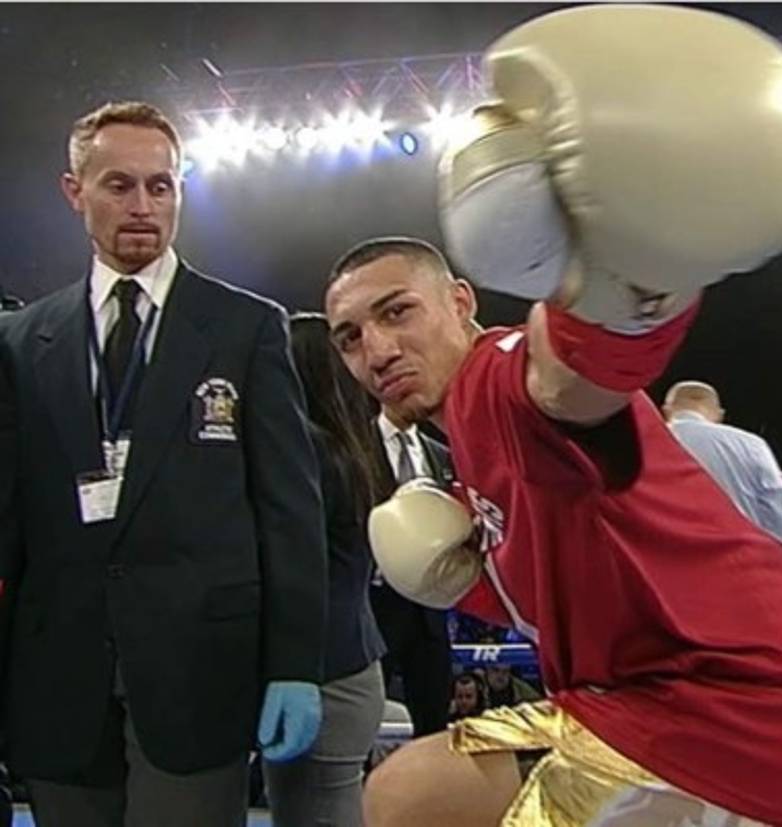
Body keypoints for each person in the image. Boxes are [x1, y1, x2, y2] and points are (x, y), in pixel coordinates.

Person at [327, 7, 782, 825]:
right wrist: (467, 581)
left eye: (398, 312)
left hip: (729, 718)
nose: (377, 349)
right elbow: (559, 590)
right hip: (670, 711)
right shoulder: (467, 453)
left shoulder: (499, 378)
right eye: (350, 336)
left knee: (410, 794)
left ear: (461, 300)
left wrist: (630, 257)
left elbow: (573, 378)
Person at [0, 101, 325, 827]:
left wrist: (294, 663)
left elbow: (290, 511)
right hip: (58, 677)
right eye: (119, 185)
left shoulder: (246, 326)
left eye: (161, 185)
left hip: (201, 674)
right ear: (74, 191)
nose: (143, 206)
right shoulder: (22, 340)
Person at [261, 313, 389, 826]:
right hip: (351, 667)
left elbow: (294, 564)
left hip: (322, 675)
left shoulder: (309, 451)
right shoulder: (355, 449)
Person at [369, 394, 455, 738]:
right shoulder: (357, 447)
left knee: (434, 723)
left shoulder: (441, 454)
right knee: (364, 724)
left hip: (429, 611)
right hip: (375, 607)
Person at [662, 380, 782, 564]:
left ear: (666, 411)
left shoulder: (641, 443)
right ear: (719, 415)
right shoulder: (750, 444)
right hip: (738, 562)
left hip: (662, 563)